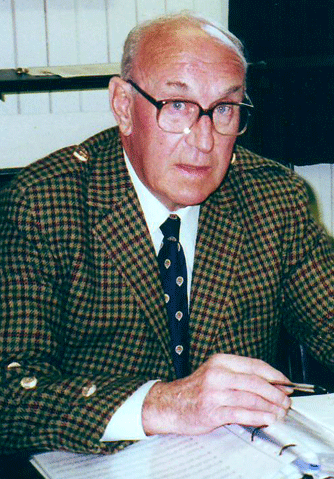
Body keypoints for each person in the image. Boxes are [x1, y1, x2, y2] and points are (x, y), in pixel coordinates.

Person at [0, 12, 333, 456]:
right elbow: (10, 393)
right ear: (122, 104)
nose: (204, 139)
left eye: (225, 109)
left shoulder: (272, 198)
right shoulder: (44, 205)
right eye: (177, 106)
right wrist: (161, 404)